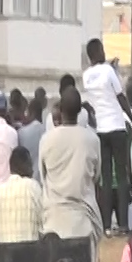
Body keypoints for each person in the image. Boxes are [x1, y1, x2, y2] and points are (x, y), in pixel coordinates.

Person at [81, 39, 132, 234]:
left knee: (105, 177)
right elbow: (121, 98)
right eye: (102, 49)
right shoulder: (108, 71)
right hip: (117, 127)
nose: (105, 52)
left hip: (101, 130)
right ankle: (122, 225)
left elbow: (92, 103)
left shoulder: (86, 76)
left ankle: (105, 225)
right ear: (97, 52)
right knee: (121, 176)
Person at [40, 87, 103, 253]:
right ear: (80, 111)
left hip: (54, 221)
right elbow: (96, 177)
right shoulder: (92, 140)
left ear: (60, 110)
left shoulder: (46, 140)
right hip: (84, 222)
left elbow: (43, 176)